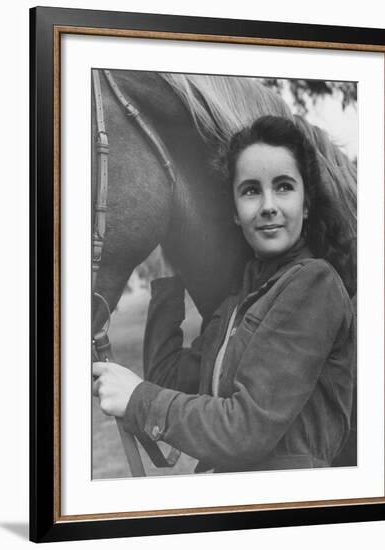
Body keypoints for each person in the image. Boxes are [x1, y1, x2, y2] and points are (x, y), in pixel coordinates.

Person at [92, 115, 356, 473]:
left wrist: (138, 399)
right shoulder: (240, 300)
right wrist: (170, 273)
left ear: (306, 204)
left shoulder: (315, 284)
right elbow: (167, 378)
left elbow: (245, 430)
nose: (267, 205)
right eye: (251, 190)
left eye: (283, 187)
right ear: (234, 211)